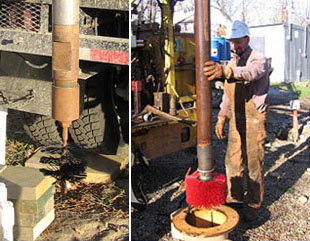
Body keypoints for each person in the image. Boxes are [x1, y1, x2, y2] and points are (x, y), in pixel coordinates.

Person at [203, 20, 270, 222]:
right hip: (235, 116)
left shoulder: (259, 59)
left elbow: (251, 73)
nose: (235, 46)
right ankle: (234, 199)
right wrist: (222, 116)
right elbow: (227, 94)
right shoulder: (232, 62)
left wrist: (227, 72)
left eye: (238, 42)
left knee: (253, 162)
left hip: (254, 118)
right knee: (232, 159)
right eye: (232, 42)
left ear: (247, 39)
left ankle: (253, 204)